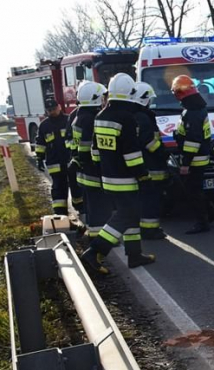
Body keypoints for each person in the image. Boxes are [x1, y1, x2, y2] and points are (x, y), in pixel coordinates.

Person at [80, 73, 156, 274]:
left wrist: (102, 168)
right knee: (125, 216)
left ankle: (134, 254)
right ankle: (95, 251)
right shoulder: (127, 118)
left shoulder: (100, 116)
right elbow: (132, 153)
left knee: (131, 216)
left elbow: (95, 151)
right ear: (130, 93)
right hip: (126, 179)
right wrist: (143, 175)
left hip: (107, 177)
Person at [171, 74, 214, 234]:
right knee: (196, 189)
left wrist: (185, 164)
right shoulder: (198, 108)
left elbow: (193, 140)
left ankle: (202, 223)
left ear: (180, 93)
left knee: (193, 192)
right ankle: (211, 214)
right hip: (200, 156)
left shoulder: (191, 112)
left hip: (194, 160)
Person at [73, 81, 114, 240]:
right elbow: (87, 148)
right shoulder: (91, 119)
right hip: (92, 171)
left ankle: (94, 235)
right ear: (95, 99)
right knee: (100, 208)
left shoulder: (79, 117)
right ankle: (99, 241)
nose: (105, 101)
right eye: (103, 97)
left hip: (83, 172)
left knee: (92, 206)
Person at [132, 82, 168, 240]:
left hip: (142, 164)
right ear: (143, 99)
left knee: (145, 198)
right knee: (150, 199)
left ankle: (147, 228)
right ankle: (150, 230)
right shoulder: (142, 117)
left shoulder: (134, 115)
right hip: (151, 165)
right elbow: (149, 141)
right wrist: (162, 152)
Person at [35, 98, 83, 215]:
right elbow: (40, 143)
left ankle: (80, 207)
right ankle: (60, 212)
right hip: (55, 164)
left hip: (70, 161)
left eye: (54, 108)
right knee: (58, 188)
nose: (53, 111)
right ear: (46, 111)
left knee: (76, 185)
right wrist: (39, 159)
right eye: (49, 110)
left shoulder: (69, 120)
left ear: (59, 107)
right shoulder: (44, 126)